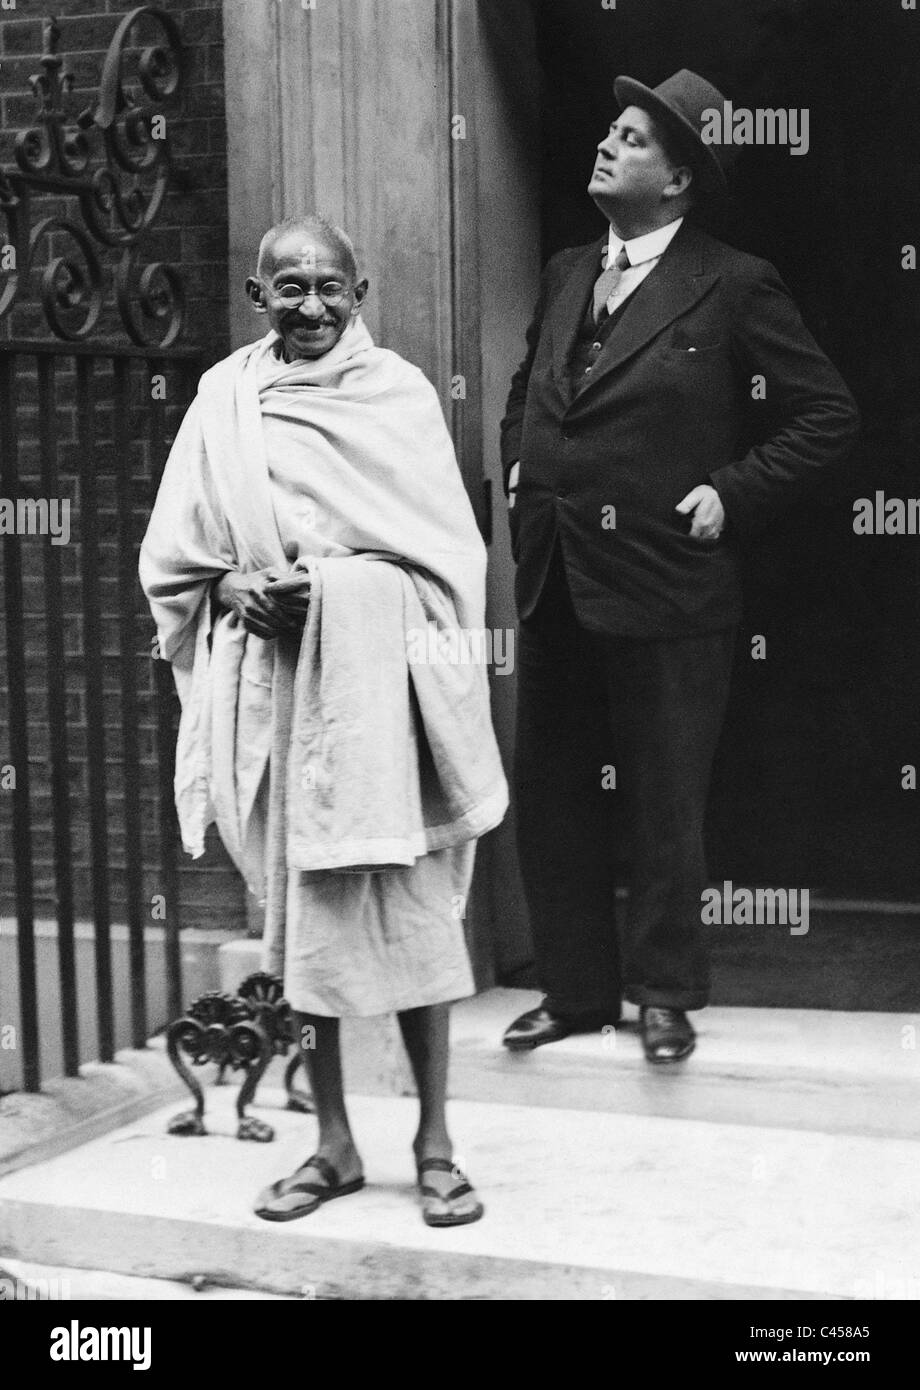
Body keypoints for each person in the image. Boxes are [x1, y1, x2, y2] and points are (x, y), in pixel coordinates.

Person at [140, 215, 507, 1225]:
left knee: (420, 926)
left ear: (361, 292)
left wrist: (343, 591)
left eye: (328, 288)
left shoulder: (397, 397)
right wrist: (233, 590)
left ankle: (435, 1143)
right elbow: (174, 558)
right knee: (305, 937)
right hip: (283, 707)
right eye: (287, 288)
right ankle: (333, 1144)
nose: (309, 306)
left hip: (390, 713)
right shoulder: (223, 401)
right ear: (257, 296)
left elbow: (450, 565)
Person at [500, 70, 859, 1063]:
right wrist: (518, 470)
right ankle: (574, 992)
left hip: (667, 583)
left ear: (680, 182)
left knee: (663, 802)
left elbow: (824, 415)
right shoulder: (569, 267)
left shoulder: (732, 279)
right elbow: (527, 386)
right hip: (554, 572)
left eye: (633, 137)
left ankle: (663, 994)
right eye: (609, 128)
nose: (607, 144)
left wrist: (730, 492)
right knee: (553, 792)